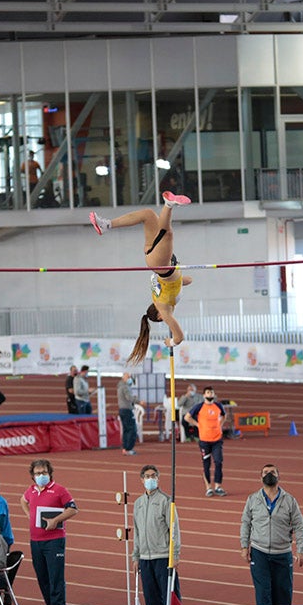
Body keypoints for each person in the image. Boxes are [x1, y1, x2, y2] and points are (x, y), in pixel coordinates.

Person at [90, 192, 193, 363]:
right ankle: (106, 225)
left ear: (159, 317)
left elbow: (180, 336)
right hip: (156, 259)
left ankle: (169, 204)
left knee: (167, 234)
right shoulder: (162, 297)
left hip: (161, 265)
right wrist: (181, 283)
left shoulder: (164, 309)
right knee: (148, 215)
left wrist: (172, 342)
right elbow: (188, 280)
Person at [239, 464, 303, 605]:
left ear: (278, 477)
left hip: (282, 554)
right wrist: (244, 547)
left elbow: (299, 525)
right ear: (260, 477)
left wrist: (301, 549)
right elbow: (246, 523)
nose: (269, 474)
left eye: (272, 472)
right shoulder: (253, 499)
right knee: (263, 595)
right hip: (259, 553)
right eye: (265, 472)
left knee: (283, 596)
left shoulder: (289, 500)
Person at [21, 459, 78, 605]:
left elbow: (73, 509)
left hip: (54, 541)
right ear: (33, 475)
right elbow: (22, 500)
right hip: (35, 541)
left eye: (44, 473)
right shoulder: (31, 490)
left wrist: (56, 520)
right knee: (42, 577)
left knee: (55, 577)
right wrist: (30, 515)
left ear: (50, 473)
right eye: (38, 473)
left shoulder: (59, 490)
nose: (41, 476)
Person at [131, 465, 181, 605]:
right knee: (151, 600)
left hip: (163, 557)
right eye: (147, 476)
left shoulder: (166, 501)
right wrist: (136, 556)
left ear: (158, 479)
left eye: (153, 476)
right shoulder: (138, 503)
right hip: (145, 559)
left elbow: (174, 530)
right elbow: (137, 532)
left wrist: (175, 555)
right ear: (142, 480)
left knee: (170, 597)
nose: (150, 479)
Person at [184, 386, 228, 497]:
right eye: (208, 392)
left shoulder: (218, 406)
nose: (210, 394)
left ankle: (218, 486)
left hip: (217, 439)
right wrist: (198, 425)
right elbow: (187, 417)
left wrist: (220, 425)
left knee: (218, 462)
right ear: (204, 395)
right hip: (204, 440)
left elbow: (224, 415)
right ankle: (208, 487)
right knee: (206, 465)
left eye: (211, 392)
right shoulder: (199, 407)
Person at [118, 372, 142, 455]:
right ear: (124, 378)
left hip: (122, 410)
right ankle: (128, 448)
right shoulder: (124, 387)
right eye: (129, 377)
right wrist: (138, 401)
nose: (130, 379)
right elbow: (129, 398)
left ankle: (125, 448)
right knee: (132, 429)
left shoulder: (121, 386)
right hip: (127, 410)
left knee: (126, 429)